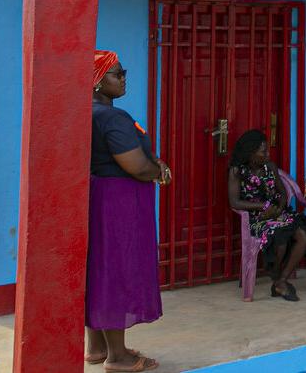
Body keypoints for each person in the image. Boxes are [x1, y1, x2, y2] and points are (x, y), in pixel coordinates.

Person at [86, 50, 170, 372]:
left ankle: (95, 347)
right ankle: (118, 357)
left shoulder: (90, 113)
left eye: (123, 73)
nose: (123, 79)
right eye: (116, 74)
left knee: (100, 269)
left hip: (99, 196)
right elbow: (134, 165)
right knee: (117, 271)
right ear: (97, 82)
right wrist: (157, 170)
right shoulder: (112, 117)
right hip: (118, 203)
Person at [227, 130, 306, 302]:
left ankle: (281, 281)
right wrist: (263, 206)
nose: (267, 154)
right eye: (263, 151)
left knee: (302, 235)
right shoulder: (237, 172)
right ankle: (279, 282)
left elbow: (282, 192)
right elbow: (234, 202)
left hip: (279, 214)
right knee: (281, 241)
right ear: (250, 152)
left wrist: (279, 206)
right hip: (257, 218)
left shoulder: (270, 167)